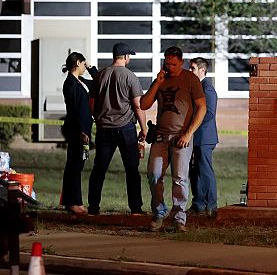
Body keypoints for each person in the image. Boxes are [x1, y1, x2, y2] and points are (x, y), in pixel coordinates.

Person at [141, 46, 206, 232]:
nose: (170, 67)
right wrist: (156, 83)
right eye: (167, 63)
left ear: (182, 62)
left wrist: (188, 133)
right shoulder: (161, 79)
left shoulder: (190, 79)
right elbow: (144, 104)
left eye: (174, 64)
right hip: (160, 137)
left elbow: (202, 107)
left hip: (181, 138)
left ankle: (179, 217)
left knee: (180, 178)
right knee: (154, 175)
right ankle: (159, 213)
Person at [87, 42, 147, 215]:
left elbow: (92, 102)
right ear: (126, 57)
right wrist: (144, 128)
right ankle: (135, 208)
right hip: (126, 128)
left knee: (99, 168)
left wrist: (97, 118)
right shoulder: (130, 77)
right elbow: (137, 105)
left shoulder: (100, 76)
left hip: (104, 128)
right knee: (131, 169)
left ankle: (93, 207)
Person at [60, 52, 97, 215]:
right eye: (83, 64)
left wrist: (90, 67)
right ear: (77, 64)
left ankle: (73, 201)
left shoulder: (80, 82)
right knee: (74, 165)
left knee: (78, 164)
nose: (84, 67)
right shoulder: (70, 84)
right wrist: (80, 131)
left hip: (84, 129)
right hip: (77, 131)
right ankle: (73, 202)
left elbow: (98, 81)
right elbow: (74, 110)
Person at [187, 57, 219, 216]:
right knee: (194, 171)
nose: (190, 71)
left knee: (205, 171)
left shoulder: (208, 89)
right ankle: (198, 204)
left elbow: (209, 113)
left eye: (192, 68)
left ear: (202, 70)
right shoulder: (196, 87)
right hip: (195, 137)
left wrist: (192, 125)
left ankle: (211, 206)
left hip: (204, 138)